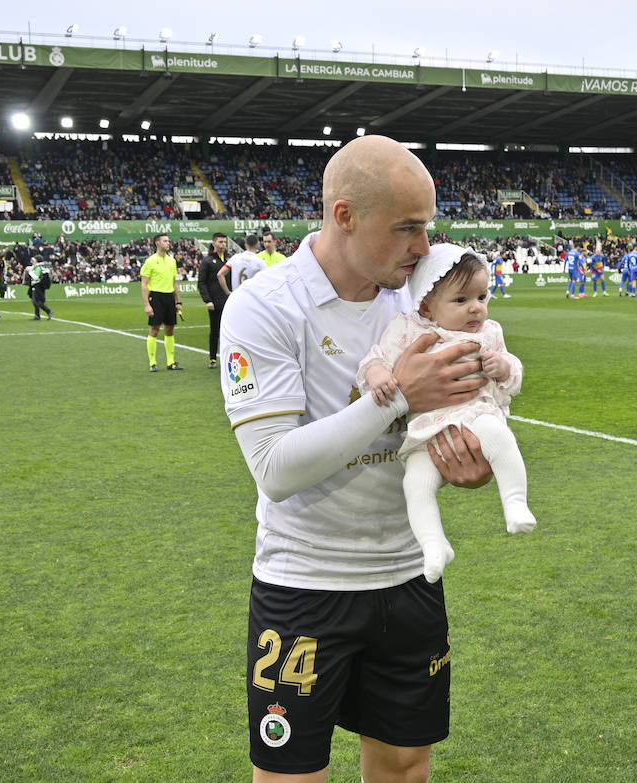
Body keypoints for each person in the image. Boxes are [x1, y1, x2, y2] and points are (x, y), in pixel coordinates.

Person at [219, 134, 494, 783]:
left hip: (408, 579)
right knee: (290, 777)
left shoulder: (428, 303)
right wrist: (398, 394)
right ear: (344, 216)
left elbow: (444, 423)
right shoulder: (264, 306)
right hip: (304, 587)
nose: (425, 248)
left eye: (427, 227)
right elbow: (276, 468)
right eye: (406, 228)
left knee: (405, 767)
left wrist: (466, 461)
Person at [358, 243, 535, 583]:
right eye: (461, 300)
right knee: (416, 484)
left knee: (501, 437)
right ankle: (434, 544)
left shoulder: (489, 333)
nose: (475, 309)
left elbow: (513, 375)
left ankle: (514, 502)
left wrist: (503, 366)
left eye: (482, 298)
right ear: (426, 304)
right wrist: (378, 374)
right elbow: (375, 358)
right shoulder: (409, 330)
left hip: (475, 415)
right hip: (425, 431)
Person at [140, 233, 183, 371]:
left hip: (169, 297)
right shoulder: (150, 261)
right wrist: (147, 304)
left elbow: (174, 283)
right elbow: (144, 285)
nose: (168, 243)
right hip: (156, 298)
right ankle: (152, 363)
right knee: (154, 329)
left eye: (168, 241)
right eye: (165, 241)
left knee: (170, 329)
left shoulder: (172, 261)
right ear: (157, 243)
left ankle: (171, 362)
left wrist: (178, 302)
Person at [198, 232, 229, 370]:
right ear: (214, 243)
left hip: (229, 302)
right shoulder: (207, 261)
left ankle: (227, 357)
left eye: (224, 242)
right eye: (220, 242)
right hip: (215, 303)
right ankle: (212, 358)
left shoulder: (229, 260)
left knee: (229, 331)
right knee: (215, 331)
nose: (223, 244)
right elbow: (201, 283)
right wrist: (207, 300)